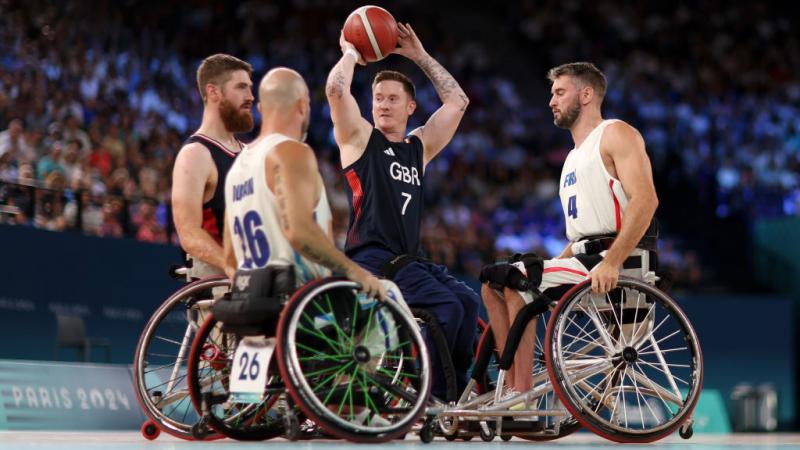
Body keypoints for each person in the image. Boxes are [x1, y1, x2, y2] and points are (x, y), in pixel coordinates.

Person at [480, 62, 660, 396]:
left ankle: (521, 395)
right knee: (494, 281)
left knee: (519, 279)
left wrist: (612, 261)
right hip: (586, 260)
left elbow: (646, 201)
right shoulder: (571, 160)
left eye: (560, 92)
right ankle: (511, 384)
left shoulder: (616, 133)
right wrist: (550, 265)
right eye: (552, 93)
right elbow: (579, 238)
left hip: (623, 261)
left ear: (587, 94)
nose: (552, 100)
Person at [325, 23, 478, 399]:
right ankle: (434, 398)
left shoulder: (418, 147)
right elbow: (334, 90)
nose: (383, 104)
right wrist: (351, 53)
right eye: (378, 97)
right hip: (371, 257)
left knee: (467, 301)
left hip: (408, 259)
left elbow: (458, 102)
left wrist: (419, 56)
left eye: (393, 98)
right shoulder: (360, 139)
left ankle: (454, 393)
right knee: (446, 306)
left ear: (411, 107)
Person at [222, 67, 386, 302]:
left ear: (261, 109)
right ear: (302, 105)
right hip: (304, 304)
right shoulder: (291, 151)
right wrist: (355, 271)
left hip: (253, 307)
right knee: (389, 292)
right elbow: (298, 232)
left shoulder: (237, 168)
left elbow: (230, 259)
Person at [171, 54, 254, 279]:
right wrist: (233, 266)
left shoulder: (251, 153)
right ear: (213, 92)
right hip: (217, 288)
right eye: (241, 87)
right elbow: (189, 233)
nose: (251, 97)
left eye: (250, 88)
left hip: (257, 283)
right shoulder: (195, 154)